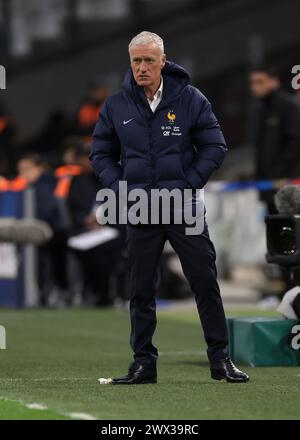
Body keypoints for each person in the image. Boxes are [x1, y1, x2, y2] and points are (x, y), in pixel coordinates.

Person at [90, 31, 249, 384]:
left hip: (183, 206)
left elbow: (215, 146)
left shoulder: (191, 99)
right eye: (136, 61)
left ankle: (220, 359)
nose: (142, 67)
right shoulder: (116, 105)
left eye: (149, 60)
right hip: (140, 207)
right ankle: (143, 363)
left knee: (205, 281)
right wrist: (119, 188)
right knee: (141, 288)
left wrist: (188, 183)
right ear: (130, 62)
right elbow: (100, 153)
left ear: (163, 60)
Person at [249, 65, 300, 213]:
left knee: (290, 233)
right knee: (274, 232)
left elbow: (296, 142)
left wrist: (276, 171)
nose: (254, 87)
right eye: (252, 82)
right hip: (269, 188)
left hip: (288, 187)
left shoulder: (289, 106)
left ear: (274, 82)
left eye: (260, 82)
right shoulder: (261, 109)